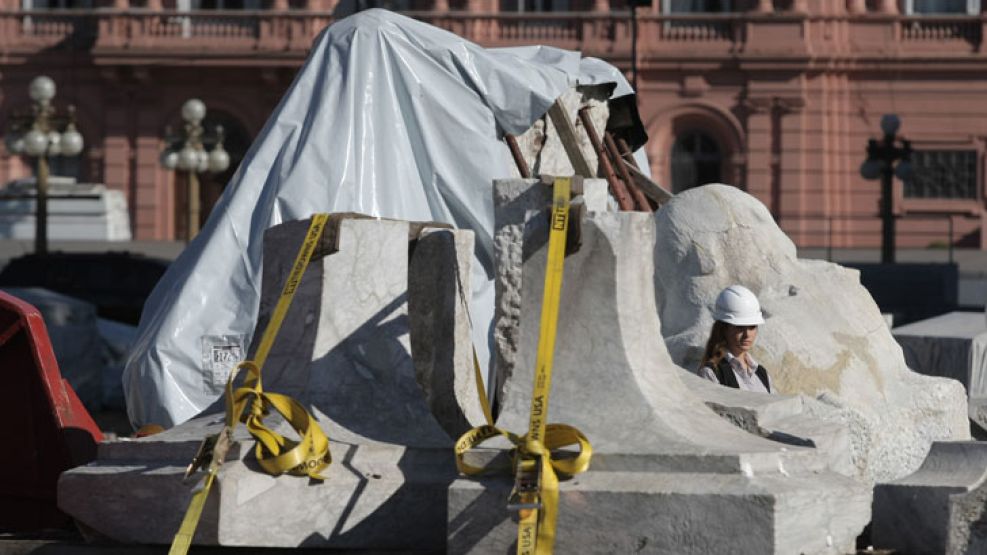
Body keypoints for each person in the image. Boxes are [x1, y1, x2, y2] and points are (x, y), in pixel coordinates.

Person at [698, 284, 772, 393]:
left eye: (752, 327)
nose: (747, 335)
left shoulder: (762, 375)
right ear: (724, 328)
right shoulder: (711, 373)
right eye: (740, 327)